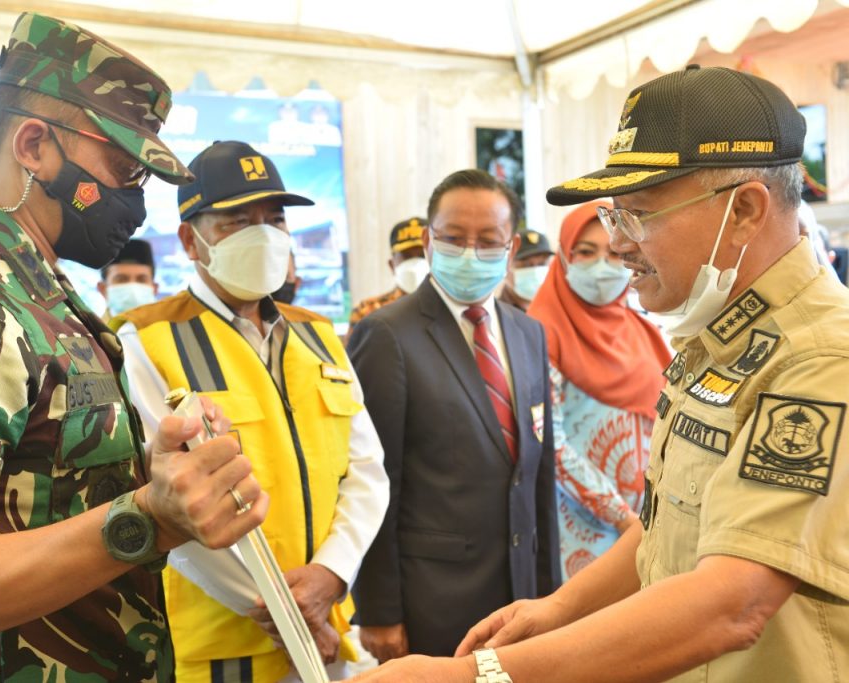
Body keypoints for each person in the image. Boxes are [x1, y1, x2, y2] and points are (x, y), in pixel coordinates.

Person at [347, 65, 849, 683]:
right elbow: (665, 524)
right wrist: (559, 608)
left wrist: (476, 676)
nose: (619, 245)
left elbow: (734, 602)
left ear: (743, 210)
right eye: (616, 218)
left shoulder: (819, 360)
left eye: (638, 215)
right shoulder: (713, 338)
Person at [0, 13, 265, 681]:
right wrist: (146, 518)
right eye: (123, 171)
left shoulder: (35, 290)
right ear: (35, 146)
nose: (134, 203)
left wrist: (155, 473)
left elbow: (37, 491)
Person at [113, 140, 389, 682]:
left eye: (274, 220)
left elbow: (366, 471)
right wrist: (288, 615)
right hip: (224, 643)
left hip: (328, 624)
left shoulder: (318, 335)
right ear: (190, 240)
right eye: (238, 221)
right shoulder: (147, 341)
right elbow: (169, 504)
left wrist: (331, 574)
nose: (263, 235)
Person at [347, 169, 559, 663]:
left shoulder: (528, 332)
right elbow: (373, 480)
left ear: (510, 248)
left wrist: (549, 595)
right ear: (428, 241)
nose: (469, 253)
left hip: (519, 595)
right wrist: (379, 610)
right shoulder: (387, 334)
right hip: (431, 601)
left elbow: (538, 474)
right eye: (454, 238)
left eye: (488, 241)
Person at [527, 202, 671, 579]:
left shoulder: (644, 329)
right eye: (585, 252)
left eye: (613, 253)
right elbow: (551, 445)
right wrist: (621, 517)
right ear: (564, 257)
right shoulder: (538, 334)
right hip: (582, 528)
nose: (601, 266)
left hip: (653, 520)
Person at [346, 217, 429, 338]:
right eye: (406, 256)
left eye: (422, 256)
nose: (415, 263)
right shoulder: (366, 311)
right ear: (392, 265)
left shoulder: (449, 308)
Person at [98, 238, 158, 317]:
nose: (132, 288)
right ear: (103, 289)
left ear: (154, 289)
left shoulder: (170, 325)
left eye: (141, 280)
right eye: (121, 280)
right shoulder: (88, 325)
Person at [498, 229, 553, 311]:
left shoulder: (557, 309)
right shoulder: (495, 314)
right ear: (504, 267)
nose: (535, 271)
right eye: (526, 265)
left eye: (542, 264)